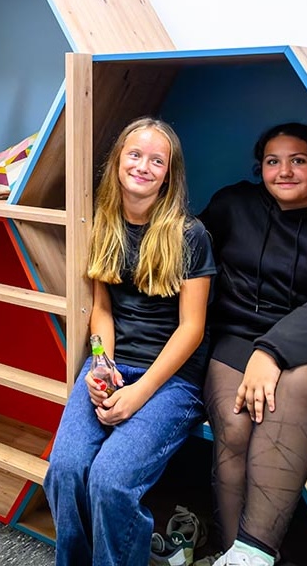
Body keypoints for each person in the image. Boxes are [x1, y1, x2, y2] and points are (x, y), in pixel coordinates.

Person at [43, 116, 216, 566]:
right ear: (118, 160)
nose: (144, 165)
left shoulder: (189, 235)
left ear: (169, 173)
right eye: (135, 154)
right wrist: (102, 366)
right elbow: (103, 309)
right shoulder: (103, 223)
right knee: (64, 470)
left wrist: (138, 392)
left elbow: (191, 329)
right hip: (115, 362)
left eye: (157, 160)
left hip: (171, 378)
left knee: (110, 481)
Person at [199, 122, 307, 566]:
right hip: (236, 334)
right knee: (233, 428)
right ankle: (235, 551)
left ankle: (253, 554)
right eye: (273, 162)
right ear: (262, 168)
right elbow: (187, 247)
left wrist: (272, 351)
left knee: (303, 384)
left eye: (298, 160)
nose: (284, 171)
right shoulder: (233, 203)